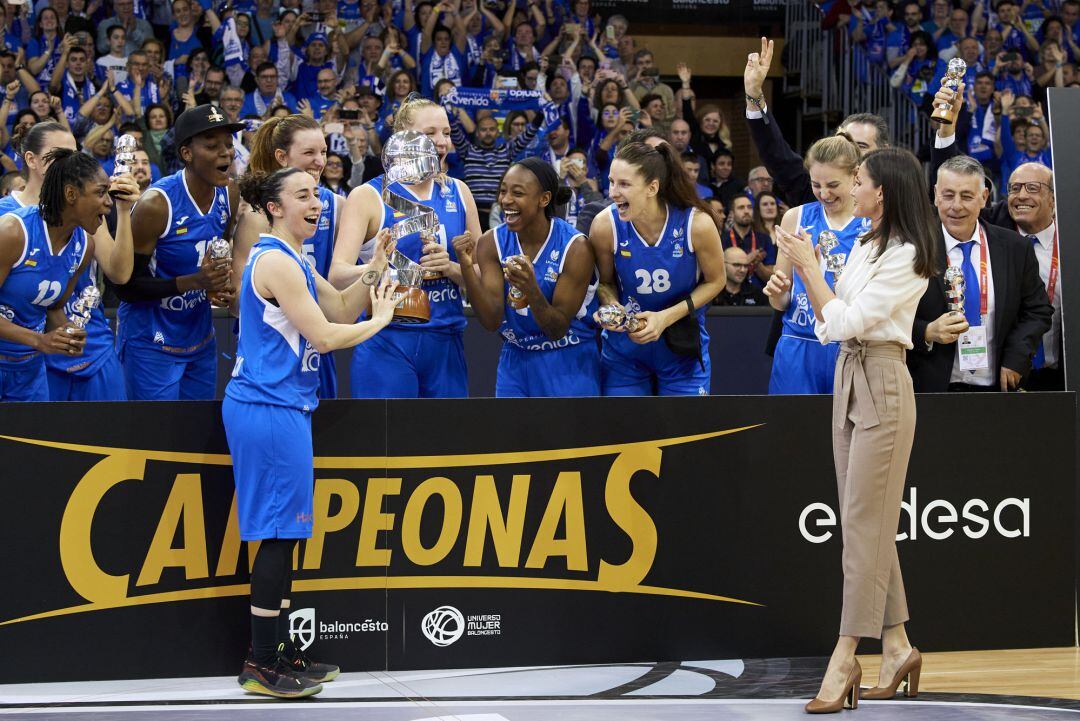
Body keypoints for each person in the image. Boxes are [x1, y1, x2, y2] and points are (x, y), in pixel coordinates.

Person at [765, 147, 937, 714]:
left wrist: (811, 268)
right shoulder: (865, 243)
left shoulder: (909, 254)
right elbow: (827, 323)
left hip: (883, 377)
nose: (851, 189)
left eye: (858, 180)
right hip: (849, 374)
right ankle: (897, 646)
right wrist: (814, 277)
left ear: (881, 191)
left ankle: (845, 656)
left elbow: (841, 319)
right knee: (866, 522)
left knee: (864, 524)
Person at [226, 166, 398, 698]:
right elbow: (325, 336)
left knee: (290, 533)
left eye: (318, 195)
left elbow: (341, 305)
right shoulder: (275, 259)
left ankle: (279, 653)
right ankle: (261, 661)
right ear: (274, 207)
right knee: (276, 537)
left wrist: (375, 267)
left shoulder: (296, 257)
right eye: (302, 195)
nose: (316, 203)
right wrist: (381, 322)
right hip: (267, 407)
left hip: (284, 406)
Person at [330, 94, 482, 398]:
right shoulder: (367, 196)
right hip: (386, 340)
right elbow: (337, 275)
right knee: (387, 444)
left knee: (445, 444)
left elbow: (482, 277)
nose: (441, 142)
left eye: (447, 133)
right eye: (429, 134)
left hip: (446, 339)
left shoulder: (460, 192)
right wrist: (375, 269)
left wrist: (452, 268)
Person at [0, 122, 138, 401]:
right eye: (101, 193)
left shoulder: (83, 238)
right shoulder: (12, 229)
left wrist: (66, 333)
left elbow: (55, 307)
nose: (108, 202)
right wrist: (40, 340)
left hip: (30, 366)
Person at [116, 105, 244, 400]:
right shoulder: (156, 205)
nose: (226, 152)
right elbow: (125, 286)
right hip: (151, 342)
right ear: (187, 153)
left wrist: (217, 287)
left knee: (193, 438)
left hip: (199, 338)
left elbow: (216, 258)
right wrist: (195, 282)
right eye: (212, 145)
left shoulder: (230, 194)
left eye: (228, 144)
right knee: (156, 441)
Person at [588, 141, 724, 396]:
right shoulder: (605, 225)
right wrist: (610, 304)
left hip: (681, 348)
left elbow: (716, 282)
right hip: (624, 351)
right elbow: (605, 283)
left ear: (652, 187)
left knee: (686, 436)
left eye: (624, 184)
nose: (613, 192)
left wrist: (665, 318)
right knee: (626, 435)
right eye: (612, 181)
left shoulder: (697, 224)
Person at [454, 158, 599, 397]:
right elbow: (491, 321)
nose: (506, 200)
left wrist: (531, 289)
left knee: (569, 436)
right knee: (511, 435)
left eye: (517, 193)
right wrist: (468, 268)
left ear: (544, 199)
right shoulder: (491, 243)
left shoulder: (576, 247)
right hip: (516, 358)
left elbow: (557, 328)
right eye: (503, 191)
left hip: (567, 357)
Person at [907, 154, 1052, 392]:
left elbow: (1037, 310)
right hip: (930, 388)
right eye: (948, 195)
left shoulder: (1014, 247)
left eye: (966, 196)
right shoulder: (911, 248)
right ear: (935, 195)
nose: (956, 206)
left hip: (998, 389)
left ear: (984, 197)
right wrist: (926, 332)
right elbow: (887, 316)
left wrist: (1016, 357)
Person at [231, 114, 343, 400]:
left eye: (324, 151)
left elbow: (341, 303)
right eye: (309, 152)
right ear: (281, 156)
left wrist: (378, 267)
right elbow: (238, 302)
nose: (321, 161)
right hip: (275, 348)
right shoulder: (258, 216)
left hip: (320, 341)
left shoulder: (336, 204)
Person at [768, 135, 866, 395]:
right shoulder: (795, 217)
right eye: (816, 184)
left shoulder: (872, 223)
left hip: (849, 346)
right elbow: (780, 303)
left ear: (856, 174)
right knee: (791, 433)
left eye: (833, 184)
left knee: (847, 434)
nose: (824, 193)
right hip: (798, 343)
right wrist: (778, 291)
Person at [744, 37, 890, 207]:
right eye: (845, 143)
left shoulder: (899, 201)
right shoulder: (813, 191)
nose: (852, 152)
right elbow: (775, 153)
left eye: (862, 146)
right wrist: (754, 94)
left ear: (883, 152)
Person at [1007, 163, 1062, 391]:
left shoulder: (1070, 243)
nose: (1021, 196)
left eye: (1032, 188)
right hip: (1007, 376)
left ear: (1053, 198)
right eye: (1015, 188)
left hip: (1062, 376)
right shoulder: (994, 244)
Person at [726, 192, 775, 288]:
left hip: (759, 295)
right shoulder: (723, 239)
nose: (746, 211)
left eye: (749, 207)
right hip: (730, 296)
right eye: (741, 208)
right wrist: (748, 260)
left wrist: (757, 263)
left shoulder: (764, 239)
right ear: (732, 213)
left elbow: (771, 278)